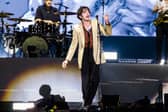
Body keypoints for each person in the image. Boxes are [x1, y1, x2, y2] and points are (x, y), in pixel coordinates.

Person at [62, 6, 112, 109]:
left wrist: (107, 22)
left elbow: (108, 34)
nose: (87, 14)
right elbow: (73, 44)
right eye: (84, 12)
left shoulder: (96, 23)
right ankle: (87, 102)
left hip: (95, 54)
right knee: (85, 81)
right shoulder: (77, 28)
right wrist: (67, 59)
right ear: (80, 16)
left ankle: (86, 103)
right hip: (84, 55)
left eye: (88, 11)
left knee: (95, 80)